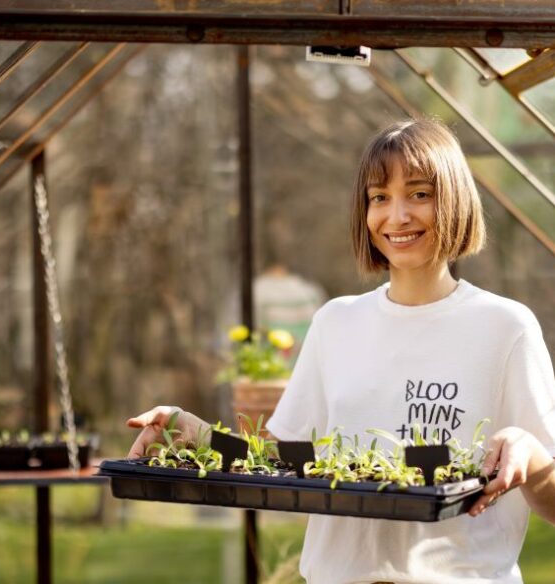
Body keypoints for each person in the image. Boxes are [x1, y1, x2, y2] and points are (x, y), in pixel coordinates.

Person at [127, 119, 555, 584]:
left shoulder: (504, 327)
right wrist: (197, 434)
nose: (397, 217)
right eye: (379, 197)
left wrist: (530, 456)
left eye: (419, 194)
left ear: (454, 199)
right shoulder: (337, 322)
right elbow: (283, 463)